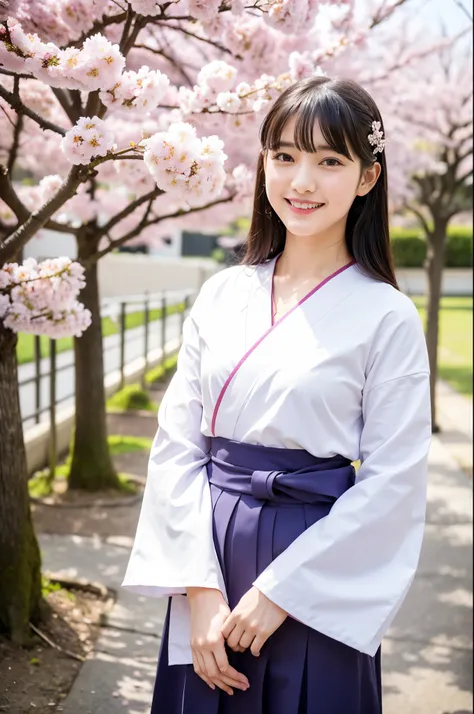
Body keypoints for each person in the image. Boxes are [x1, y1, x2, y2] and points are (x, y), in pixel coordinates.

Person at [122, 75, 432, 714]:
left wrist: (281, 593)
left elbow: (393, 481)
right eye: (285, 156)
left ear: (367, 178)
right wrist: (199, 589)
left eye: (329, 161)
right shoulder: (223, 293)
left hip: (316, 564)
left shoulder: (388, 315)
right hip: (208, 551)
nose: (302, 182)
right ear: (262, 163)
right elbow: (178, 444)